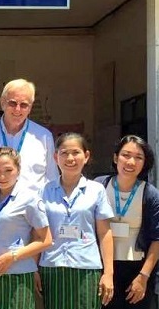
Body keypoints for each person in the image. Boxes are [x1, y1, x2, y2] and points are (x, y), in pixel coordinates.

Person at [38, 132, 114, 309]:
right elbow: (38, 233)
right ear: (55, 157)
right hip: (52, 266)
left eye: (76, 152)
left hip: (86, 267)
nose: (70, 158)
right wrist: (34, 268)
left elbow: (105, 233)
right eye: (64, 153)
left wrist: (108, 273)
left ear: (86, 156)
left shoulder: (96, 190)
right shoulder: (44, 191)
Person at [96, 135, 159, 309]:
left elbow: (157, 239)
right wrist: (106, 273)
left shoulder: (151, 195)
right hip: (102, 268)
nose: (130, 162)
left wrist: (143, 277)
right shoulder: (98, 187)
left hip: (136, 270)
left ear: (145, 163)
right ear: (115, 158)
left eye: (138, 157)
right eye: (125, 155)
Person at [0, 147, 52, 309]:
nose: (2, 176)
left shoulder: (29, 199)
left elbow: (46, 240)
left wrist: (13, 256)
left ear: (18, 170)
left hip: (18, 274)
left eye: (8, 170)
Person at [0, 78, 57, 200]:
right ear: (2, 103)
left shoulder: (44, 136)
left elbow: (52, 179)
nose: (17, 109)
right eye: (12, 103)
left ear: (30, 108)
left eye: (23, 105)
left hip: (31, 213)